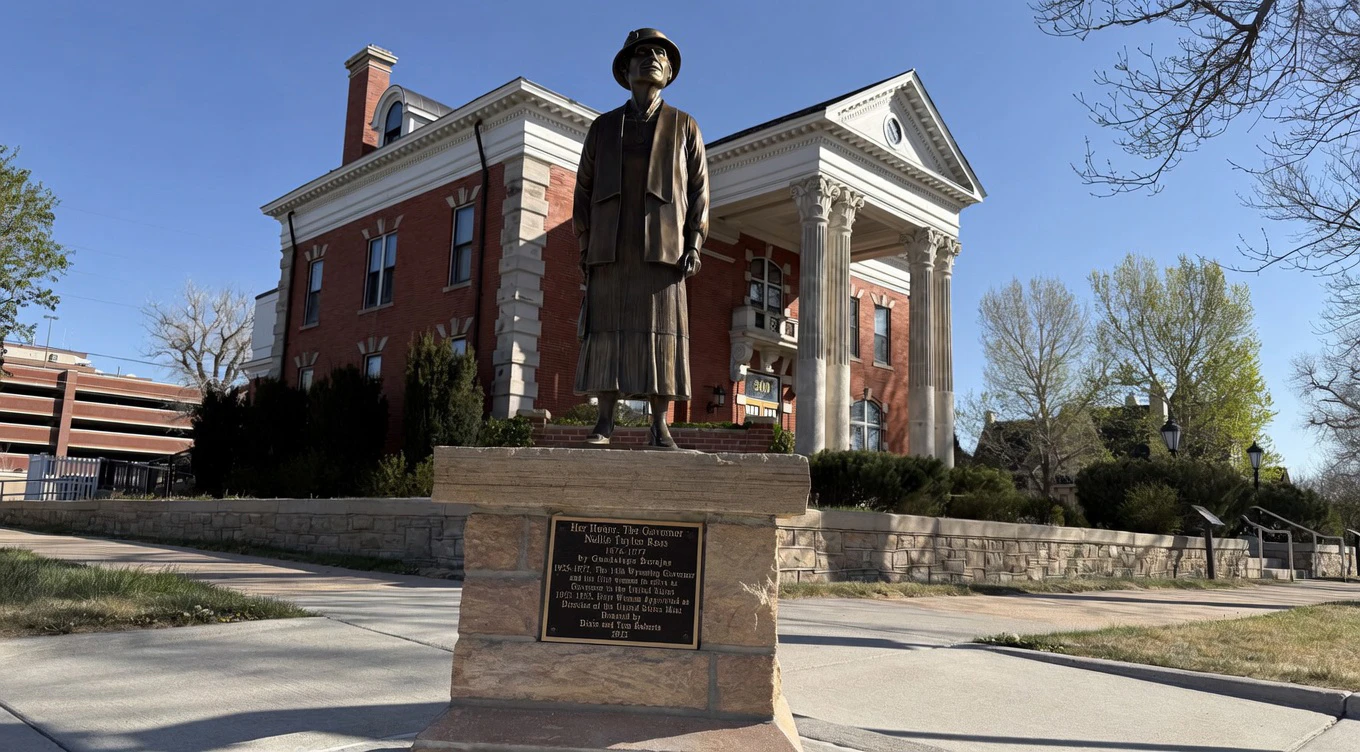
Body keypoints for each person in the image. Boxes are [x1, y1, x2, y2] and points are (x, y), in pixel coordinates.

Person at [573, 28, 709, 448]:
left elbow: (701, 191)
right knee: (608, 331)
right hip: (611, 246)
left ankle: (659, 424)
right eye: (642, 53)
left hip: (663, 249)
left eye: (660, 55)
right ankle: (604, 421)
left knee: (662, 334)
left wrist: (694, 244)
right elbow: (582, 189)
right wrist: (584, 244)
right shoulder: (602, 128)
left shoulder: (685, 126)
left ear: (669, 73)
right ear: (625, 70)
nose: (652, 58)